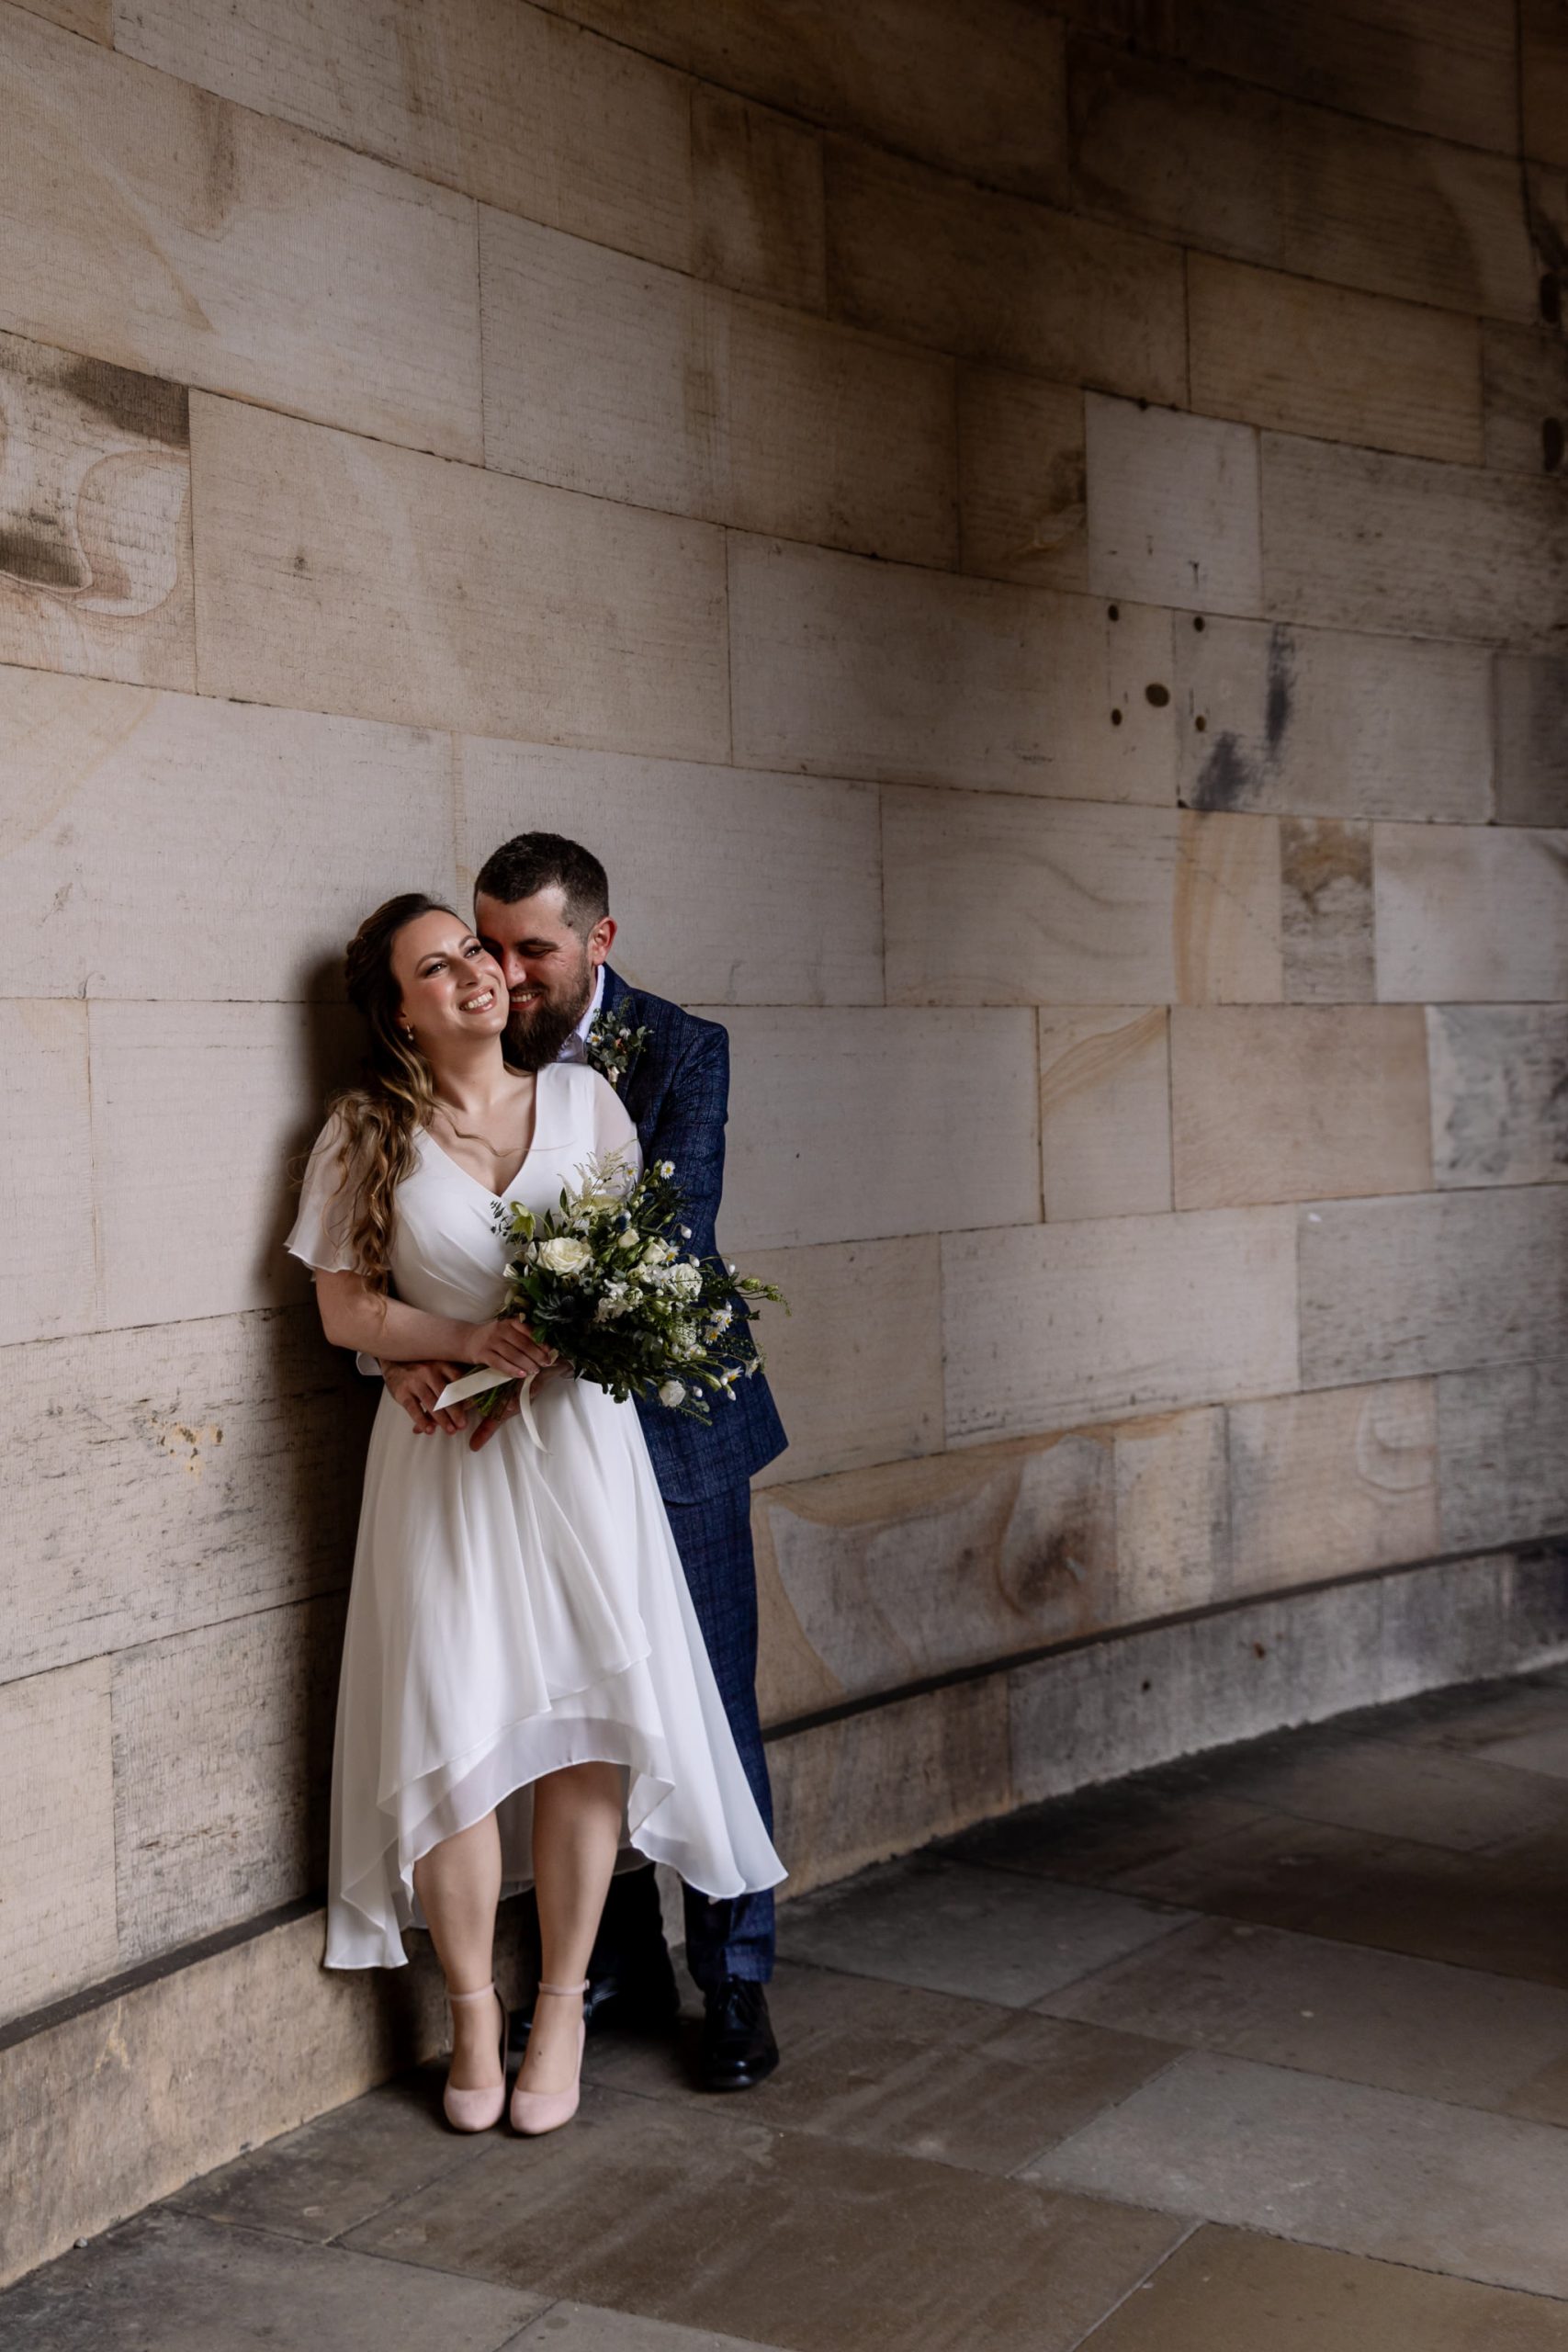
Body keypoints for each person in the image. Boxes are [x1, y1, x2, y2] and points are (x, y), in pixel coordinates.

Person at [287, 893, 784, 2138]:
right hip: (447, 1456)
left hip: (577, 1453)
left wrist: (564, 1344)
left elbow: (644, 1273)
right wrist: (456, 1344)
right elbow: (346, 1311)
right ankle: (470, 2010)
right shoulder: (363, 1132)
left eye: (480, 953)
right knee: (451, 1738)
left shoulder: (587, 1106)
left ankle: (559, 2005)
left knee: (582, 1735)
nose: (476, 976)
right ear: (398, 1007)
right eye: (440, 965)